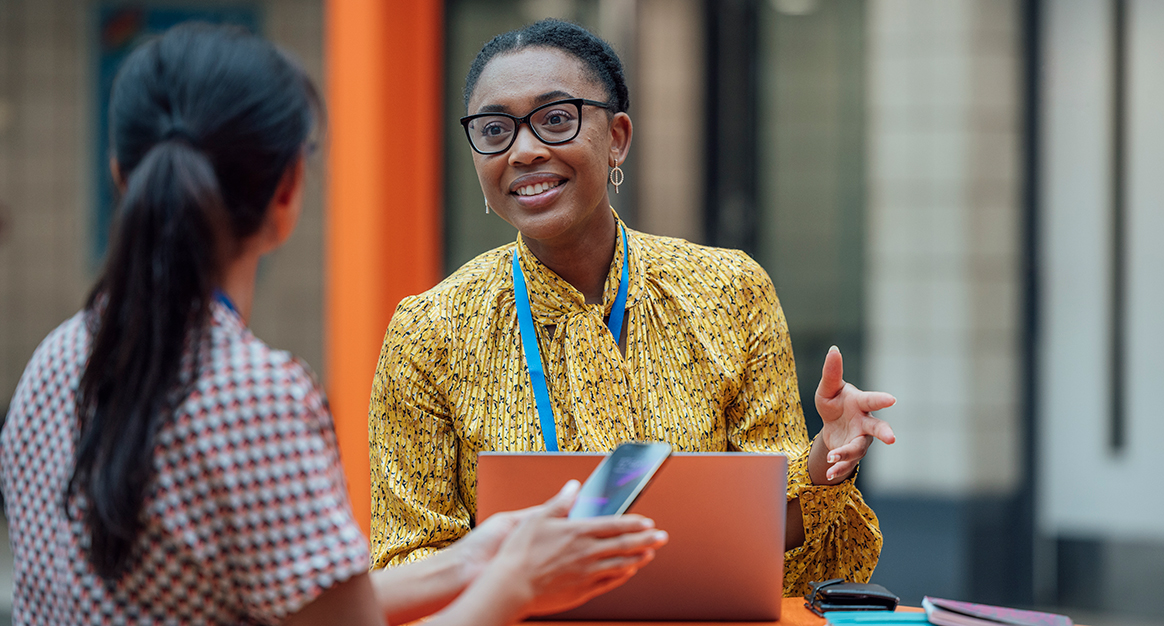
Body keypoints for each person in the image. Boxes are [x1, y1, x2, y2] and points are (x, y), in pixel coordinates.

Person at [0, 23, 666, 626]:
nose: (525, 151)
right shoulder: (256, 394)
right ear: (289, 191)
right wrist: (518, 584)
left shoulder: (56, 359)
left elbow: (319, 604)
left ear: (121, 175)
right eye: (495, 129)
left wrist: (481, 557)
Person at [369, 18, 897, 596]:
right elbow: (407, 561)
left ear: (617, 136)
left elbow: (784, 555)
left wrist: (823, 462)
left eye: (555, 119)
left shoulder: (729, 291)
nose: (523, 150)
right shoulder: (430, 331)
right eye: (495, 130)